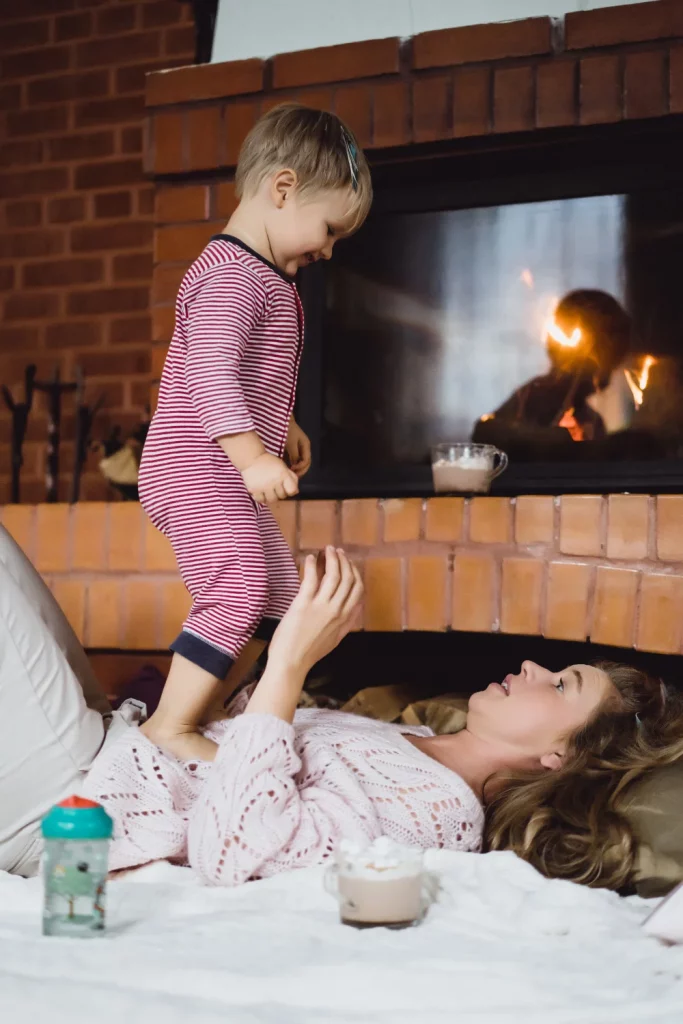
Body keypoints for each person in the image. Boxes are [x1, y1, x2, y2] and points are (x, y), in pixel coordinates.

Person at [84, 549, 682, 893]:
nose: (530, 665)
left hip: (86, 805)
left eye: (559, 684)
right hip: (117, 738)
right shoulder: (409, 737)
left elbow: (238, 852)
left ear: (561, 757)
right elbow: (236, 741)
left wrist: (291, 661)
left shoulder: (436, 815)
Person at [137, 104, 373, 764]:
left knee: (277, 596)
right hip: (196, 467)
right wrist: (250, 457)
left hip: (218, 464)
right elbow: (210, 372)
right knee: (236, 586)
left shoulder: (260, 275)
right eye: (327, 229)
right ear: (283, 188)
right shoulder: (233, 276)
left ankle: (212, 714)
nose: (326, 249)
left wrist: (283, 423)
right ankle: (170, 726)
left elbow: (237, 370)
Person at [474, 290, 635, 455]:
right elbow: (485, 435)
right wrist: (546, 439)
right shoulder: (536, 397)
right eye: (607, 357)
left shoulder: (590, 419)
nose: (610, 372)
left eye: (615, 358)